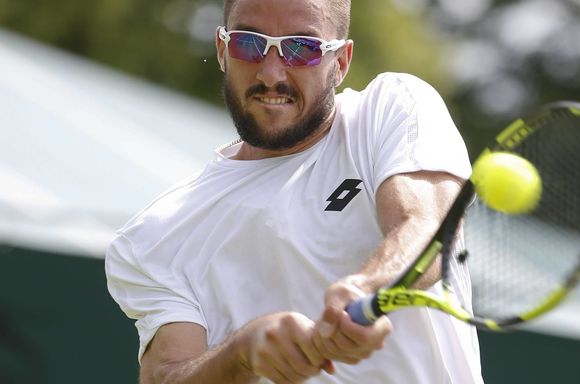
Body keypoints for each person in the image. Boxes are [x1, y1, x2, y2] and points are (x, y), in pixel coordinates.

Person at [105, 0, 484, 383]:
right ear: (222, 50)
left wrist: (366, 288)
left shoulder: (391, 109)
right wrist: (241, 354)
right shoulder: (152, 237)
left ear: (341, 61)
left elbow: (431, 230)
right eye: (248, 43)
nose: (271, 73)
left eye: (301, 48)